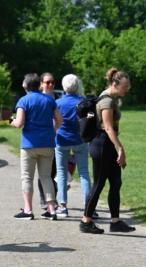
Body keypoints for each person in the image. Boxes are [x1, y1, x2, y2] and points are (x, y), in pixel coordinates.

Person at [80, 68, 136, 234]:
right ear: (115, 84)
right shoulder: (107, 101)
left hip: (108, 145)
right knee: (98, 184)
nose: (127, 89)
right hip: (102, 145)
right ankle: (86, 221)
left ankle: (115, 221)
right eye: (125, 86)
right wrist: (121, 149)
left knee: (116, 182)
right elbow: (109, 128)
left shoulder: (112, 98)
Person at [11, 73, 63, 220]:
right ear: (39, 84)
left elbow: (20, 123)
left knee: (27, 177)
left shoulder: (23, 100)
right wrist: (53, 131)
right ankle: (52, 210)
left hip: (29, 144)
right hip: (47, 143)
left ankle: (28, 210)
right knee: (46, 177)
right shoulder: (49, 100)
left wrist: (12, 121)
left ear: (25, 85)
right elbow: (59, 119)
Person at [55, 74, 92, 218]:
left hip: (61, 139)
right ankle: (88, 206)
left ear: (64, 87)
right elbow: (90, 118)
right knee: (84, 172)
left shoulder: (58, 103)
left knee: (62, 172)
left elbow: (54, 121)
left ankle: (62, 206)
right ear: (77, 86)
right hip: (80, 139)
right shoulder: (84, 102)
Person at [37, 72, 58, 210]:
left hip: (56, 140)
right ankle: (44, 199)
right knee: (44, 172)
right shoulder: (38, 98)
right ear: (41, 84)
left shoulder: (56, 99)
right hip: (41, 140)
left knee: (54, 171)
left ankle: (52, 198)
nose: (50, 85)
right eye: (47, 82)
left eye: (52, 82)